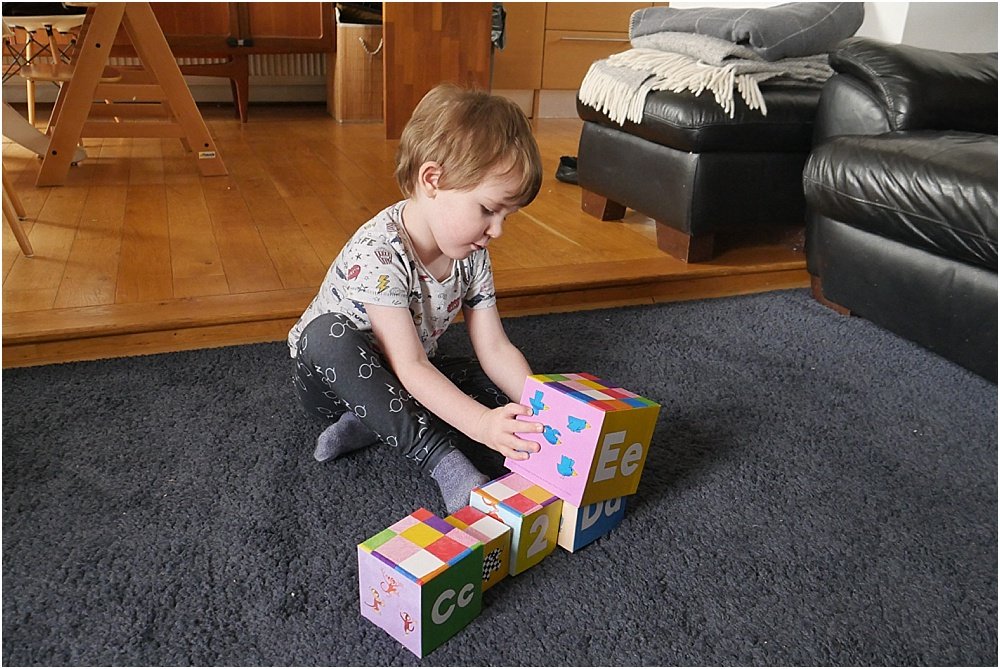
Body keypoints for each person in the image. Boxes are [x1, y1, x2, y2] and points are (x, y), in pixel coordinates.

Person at [288, 83, 546, 513]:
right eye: (488, 210)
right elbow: (409, 366)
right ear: (432, 180)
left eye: (507, 216)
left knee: (484, 384)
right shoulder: (379, 251)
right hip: (332, 381)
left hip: (406, 369)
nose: (497, 230)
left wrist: (540, 406)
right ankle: (442, 461)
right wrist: (480, 425)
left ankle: (374, 423)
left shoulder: (472, 254)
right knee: (327, 335)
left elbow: (495, 348)